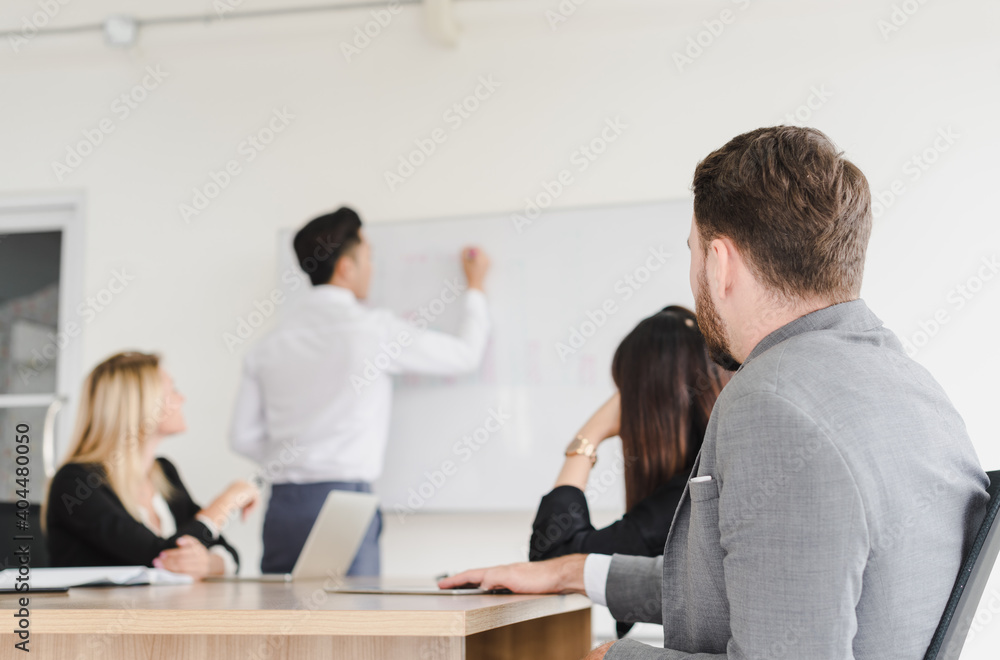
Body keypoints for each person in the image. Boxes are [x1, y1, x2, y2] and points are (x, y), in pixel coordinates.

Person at [440, 126, 990, 660]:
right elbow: (761, 588)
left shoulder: (775, 403)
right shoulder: (913, 389)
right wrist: (571, 571)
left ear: (720, 263)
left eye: (693, 251)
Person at [230, 206, 491, 576]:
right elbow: (465, 355)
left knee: (281, 624)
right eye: (369, 258)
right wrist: (476, 288)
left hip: (283, 504)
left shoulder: (269, 345)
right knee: (357, 624)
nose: (373, 268)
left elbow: (241, 438)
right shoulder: (373, 331)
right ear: (345, 267)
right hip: (344, 503)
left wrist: (296, 457)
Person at [529, 306, 728, 638]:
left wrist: (588, 436)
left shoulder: (687, 493)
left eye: (624, 393)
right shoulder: (704, 472)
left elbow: (553, 560)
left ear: (643, 403)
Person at [44, 352, 258, 579]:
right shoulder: (76, 483)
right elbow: (161, 558)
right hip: (100, 614)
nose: (182, 398)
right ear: (141, 406)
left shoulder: (163, 472)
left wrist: (205, 565)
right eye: (173, 391)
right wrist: (226, 502)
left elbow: (230, 555)